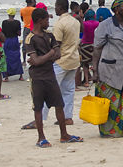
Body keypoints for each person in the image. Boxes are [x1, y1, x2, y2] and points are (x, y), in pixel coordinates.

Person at [23, 8, 82, 146]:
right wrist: (49, 54)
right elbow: (43, 58)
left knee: (59, 104)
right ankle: (41, 137)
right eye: (46, 20)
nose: (48, 23)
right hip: (37, 77)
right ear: (39, 21)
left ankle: (64, 134)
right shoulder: (30, 38)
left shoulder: (49, 35)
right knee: (38, 107)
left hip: (49, 74)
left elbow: (57, 54)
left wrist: (42, 58)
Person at [90, 0, 123, 138]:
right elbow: (97, 49)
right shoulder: (105, 26)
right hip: (109, 71)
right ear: (117, 9)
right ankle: (109, 131)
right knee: (111, 102)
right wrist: (94, 70)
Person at [48, 0, 80, 122]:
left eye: (56, 6)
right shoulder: (75, 22)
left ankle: (41, 117)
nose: (55, 8)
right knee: (68, 90)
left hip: (61, 60)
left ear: (60, 7)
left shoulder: (60, 24)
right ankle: (68, 117)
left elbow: (56, 45)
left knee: (50, 89)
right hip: (73, 59)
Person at [2, 7, 24, 81]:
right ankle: (20, 76)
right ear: (14, 14)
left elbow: (3, 33)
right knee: (17, 57)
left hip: (7, 40)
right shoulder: (17, 22)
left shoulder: (4, 22)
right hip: (14, 40)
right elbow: (19, 33)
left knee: (6, 58)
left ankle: (6, 76)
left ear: (8, 14)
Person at [79, 9, 100, 86]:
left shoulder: (84, 23)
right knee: (96, 63)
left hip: (85, 45)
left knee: (85, 64)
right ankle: (96, 77)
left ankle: (87, 81)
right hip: (95, 45)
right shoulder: (98, 23)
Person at [20, 0, 36, 64]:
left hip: (26, 27)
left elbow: (22, 19)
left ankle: (24, 61)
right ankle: (33, 58)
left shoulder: (22, 10)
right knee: (33, 43)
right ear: (31, 2)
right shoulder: (34, 9)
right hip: (33, 27)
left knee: (24, 43)